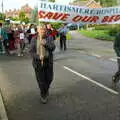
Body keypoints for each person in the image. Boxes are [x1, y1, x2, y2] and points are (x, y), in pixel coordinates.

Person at [29, 23, 56, 104]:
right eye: (40, 29)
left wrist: (45, 44)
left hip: (48, 62)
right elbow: (31, 52)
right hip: (38, 63)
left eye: (44, 29)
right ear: (38, 30)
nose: (42, 31)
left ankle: (46, 90)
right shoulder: (34, 39)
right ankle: (43, 94)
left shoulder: (49, 37)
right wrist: (38, 57)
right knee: (41, 81)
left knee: (49, 79)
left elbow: (53, 47)